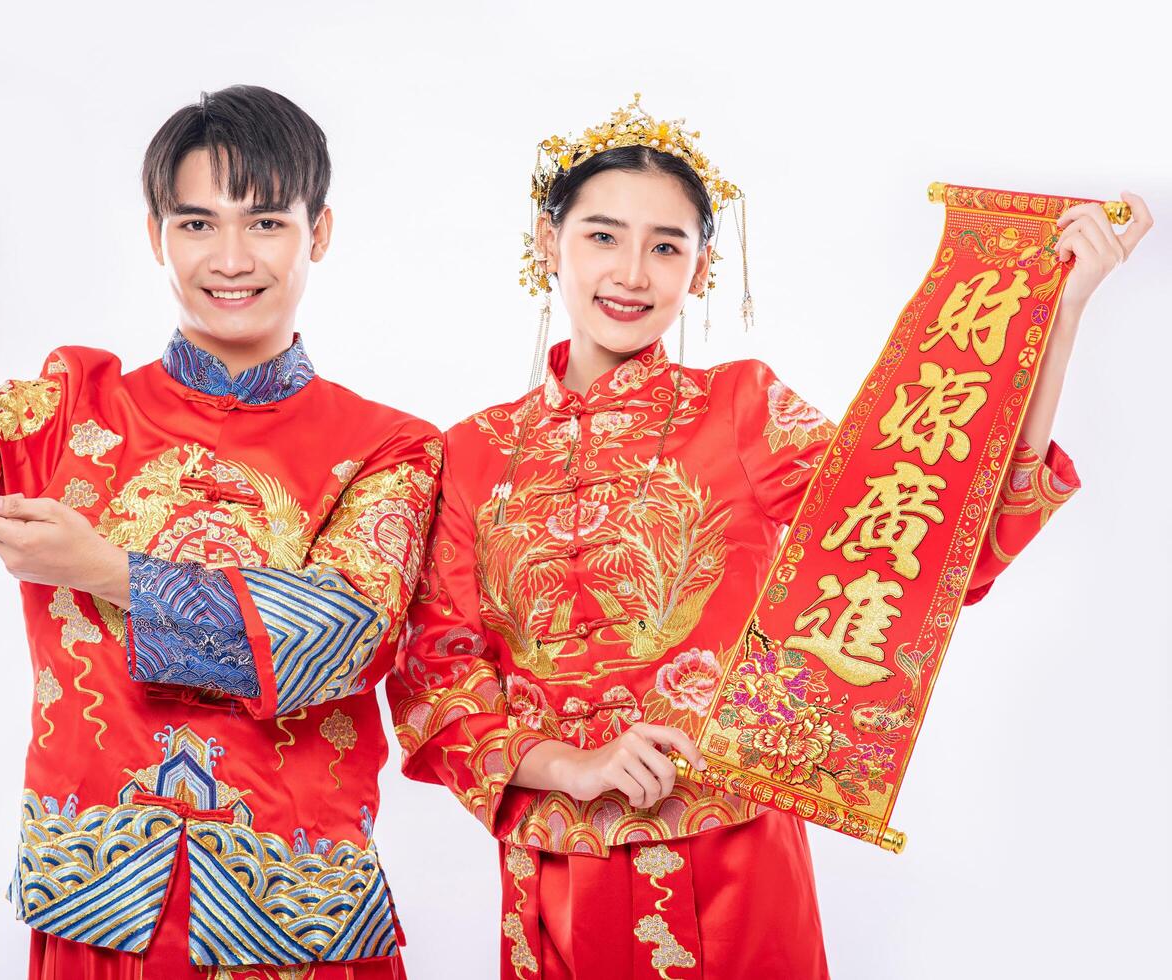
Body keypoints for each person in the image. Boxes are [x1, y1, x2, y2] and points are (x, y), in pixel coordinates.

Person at [387, 97, 1151, 978]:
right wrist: (574, 765)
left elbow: (934, 546)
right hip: (555, 872)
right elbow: (437, 675)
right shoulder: (470, 452)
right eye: (601, 236)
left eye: (666, 245)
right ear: (545, 243)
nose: (631, 271)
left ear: (700, 268)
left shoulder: (742, 408)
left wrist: (1059, 315)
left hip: (734, 862)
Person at [0, 60, 439, 979]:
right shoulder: (73, 411)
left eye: (265, 222)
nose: (230, 258)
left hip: (295, 912)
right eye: (196, 223)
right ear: (155, 235)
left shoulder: (387, 446)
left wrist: (110, 573)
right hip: (100, 902)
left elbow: (339, 638)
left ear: (319, 232)